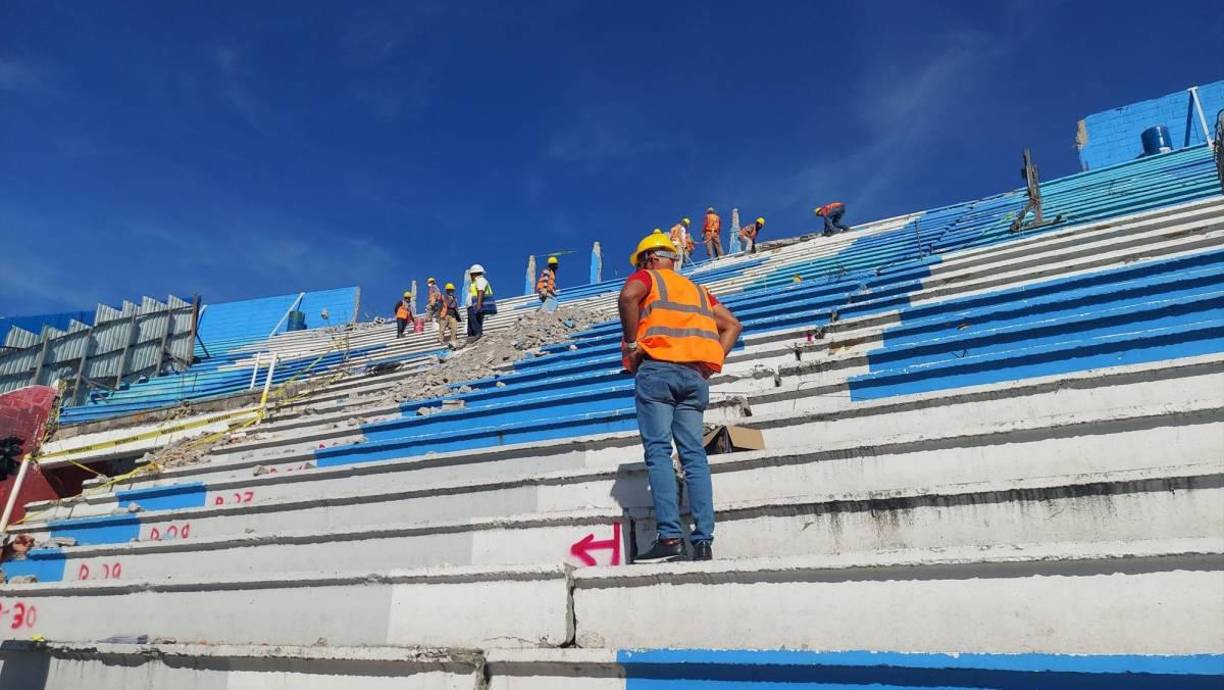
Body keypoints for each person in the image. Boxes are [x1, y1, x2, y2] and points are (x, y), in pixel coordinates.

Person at [618, 230, 742, 563]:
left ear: (649, 258)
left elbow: (629, 296)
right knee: (694, 457)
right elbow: (732, 325)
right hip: (694, 377)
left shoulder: (648, 278)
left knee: (658, 451)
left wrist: (632, 345)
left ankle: (670, 539)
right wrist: (711, 365)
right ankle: (703, 542)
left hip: (658, 370)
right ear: (673, 258)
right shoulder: (699, 292)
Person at [466, 264, 495, 341]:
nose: (470, 276)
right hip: (471, 305)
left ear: (474, 273)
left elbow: (481, 291)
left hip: (475, 304)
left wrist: (478, 305)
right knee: (471, 320)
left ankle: (477, 334)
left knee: (476, 320)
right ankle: (471, 335)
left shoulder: (481, 280)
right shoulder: (474, 282)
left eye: (471, 274)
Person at [438, 282, 462, 348]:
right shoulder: (443, 296)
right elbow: (445, 304)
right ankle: (441, 340)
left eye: (452, 290)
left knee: (454, 328)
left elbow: (456, 307)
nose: (451, 291)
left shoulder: (454, 298)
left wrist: (459, 315)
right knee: (442, 328)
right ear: (447, 290)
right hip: (445, 314)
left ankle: (453, 340)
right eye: (450, 290)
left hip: (453, 315)